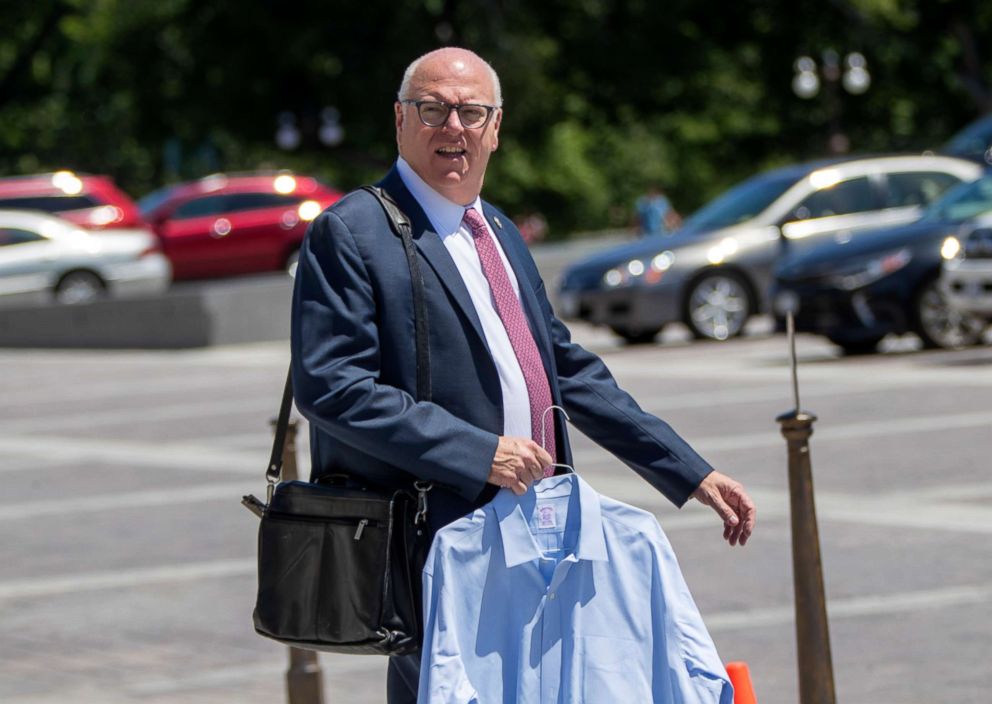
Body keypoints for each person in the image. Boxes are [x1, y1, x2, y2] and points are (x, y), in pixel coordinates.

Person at [290, 47, 755, 704]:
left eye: (471, 112)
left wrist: (686, 469)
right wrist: (479, 454)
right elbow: (333, 387)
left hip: (540, 534)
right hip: (440, 541)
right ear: (400, 120)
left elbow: (565, 368)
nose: (453, 126)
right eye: (432, 109)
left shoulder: (499, 229)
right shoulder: (353, 232)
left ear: (496, 128)